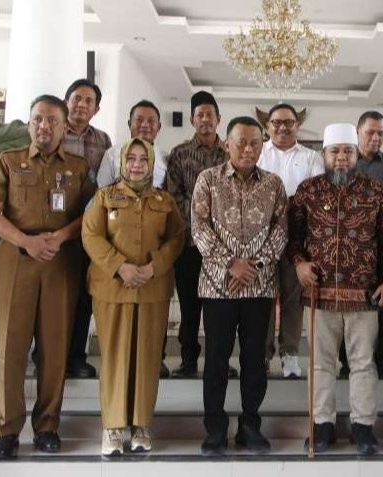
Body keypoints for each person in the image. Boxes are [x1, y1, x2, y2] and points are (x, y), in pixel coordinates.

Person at [0, 94, 95, 459]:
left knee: (55, 349)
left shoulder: (78, 168)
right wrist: (26, 242)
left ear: (64, 127)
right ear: (29, 124)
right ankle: (6, 429)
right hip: (16, 261)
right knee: (11, 349)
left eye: (51, 121)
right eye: (37, 120)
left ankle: (47, 426)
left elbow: (91, 215)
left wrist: (59, 237)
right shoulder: (8, 163)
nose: (43, 126)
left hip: (61, 263)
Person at [288, 123, 383, 455]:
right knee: (320, 364)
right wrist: (299, 263)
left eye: (347, 152)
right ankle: (322, 425)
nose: (341, 158)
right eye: (334, 152)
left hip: (364, 297)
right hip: (320, 296)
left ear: (355, 156)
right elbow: (292, 237)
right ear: (324, 154)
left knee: (363, 363)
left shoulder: (375, 192)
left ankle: (363, 426)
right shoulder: (308, 191)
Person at [192, 116, 288, 456]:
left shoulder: (274, 184)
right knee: (216, 360)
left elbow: (280, 231)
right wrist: (232, 264)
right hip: (218, 287)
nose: (248, 149)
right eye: (241, 142)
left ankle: (250, 425)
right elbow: (199, 229)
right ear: (226, 144)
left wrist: (254, 266)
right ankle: (215, 429)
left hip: (259, 288)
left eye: (255, 143)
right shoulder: (208, 180)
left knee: (254, 360)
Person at [82, 137, 184, 455]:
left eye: (143, 159)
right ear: (122, 162)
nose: (137, 164)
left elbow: (177, 237)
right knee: (114, 357)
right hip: (112, 289)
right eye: (132, 159)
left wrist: (155, 266)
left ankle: (141, 425)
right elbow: (90, 234)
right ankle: (113, 428)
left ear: (151, 165)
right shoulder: (104, 197)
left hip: (152, 289)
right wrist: (119, 267)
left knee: (148, 358)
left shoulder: (164, 200)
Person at [166, 91, 232, 378]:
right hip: (190, 243)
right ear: (192, 120)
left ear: (219, 119)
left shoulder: (230, 152)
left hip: (225, 245)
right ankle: (188, 361)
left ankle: (220, 362)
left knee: (220, 309)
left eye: (210, 114)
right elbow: (173, 194)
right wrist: (198, 221)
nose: (205, 119)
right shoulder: (180, 153)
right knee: (190, 305)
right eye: (199, 115)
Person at [257, 103, 324, 378]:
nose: (282, 127)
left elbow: (317, 199)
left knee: (293, 298)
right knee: (263, 298)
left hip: (298, 238)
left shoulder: (311, 158)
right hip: (261, 238)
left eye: (288, 122)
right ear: (267, 125)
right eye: (276, 122)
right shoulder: (257, 154)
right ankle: (261, 355)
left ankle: (290, 355)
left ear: (297, 124)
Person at [60, 78, 112, 379]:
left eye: (88, 101)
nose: (81, 105)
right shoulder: (53, 130)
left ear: (96, 108)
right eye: (77, 98)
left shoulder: (103, 141)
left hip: (89, 228)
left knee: (83, 296)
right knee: (54, 296)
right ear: (67, 101)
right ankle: (47, 355)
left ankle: (77, 357)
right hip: (53, 225)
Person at [344, 110, 383, 379]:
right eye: (370, 132)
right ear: (358, 132)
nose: (376, 137)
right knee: (350, 307)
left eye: (380, 132)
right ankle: (348, 363)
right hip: (348, 250)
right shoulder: (344, 163)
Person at [97, 99, 167, 189]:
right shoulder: (111, 154)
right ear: (129, 124)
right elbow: (102, 191)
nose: (145, 125)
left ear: (159, 127)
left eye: (151, 121)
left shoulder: (166, 158)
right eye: (139, 120)